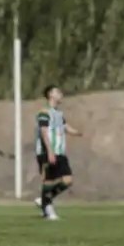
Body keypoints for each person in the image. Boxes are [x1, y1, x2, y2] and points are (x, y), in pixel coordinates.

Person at [33, 85, 82, 220]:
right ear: (50, 95)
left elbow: (66, 128)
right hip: (47, 152)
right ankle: (48, 210)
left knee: (67, 180)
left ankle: (44, 200)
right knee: (48, 181)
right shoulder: (44, 112)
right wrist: (49, 151)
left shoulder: (59, 114)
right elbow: (44, 132)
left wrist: (79, 132)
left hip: (60, 152)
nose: (61, 94)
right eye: (57, 92)